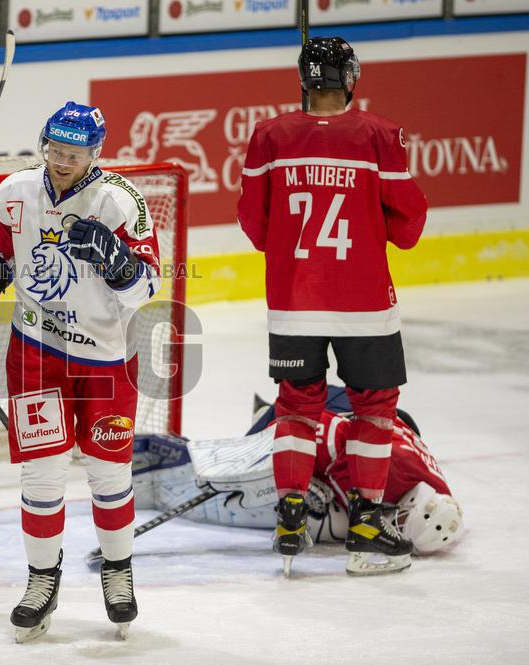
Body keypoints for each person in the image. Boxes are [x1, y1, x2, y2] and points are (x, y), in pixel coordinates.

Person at [0, 102, 161, 641]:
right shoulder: (14, 191)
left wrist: (114, 259)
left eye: (74, 154)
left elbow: (147, 286)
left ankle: (118, 570)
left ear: (95, 154)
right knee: (41, 474)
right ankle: (42, 579)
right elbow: (1, 260)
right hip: (35, 354)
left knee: (109, 473)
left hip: (107, 360)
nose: (62, 161)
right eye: (55, 150)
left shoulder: (121, 202)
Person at [236, 37, 429, 576]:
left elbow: (254, 222)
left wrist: (291, 252)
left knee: (296, 407)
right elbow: (408, 224)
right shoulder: (380, 134)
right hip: (363, 300)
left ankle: (290, 518)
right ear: (350, 78)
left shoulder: (268, 135)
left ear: (304, 79)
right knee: (374, 408)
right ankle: (366, 525)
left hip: (293, 299)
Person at [134, 388, 463, 565]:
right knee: (240, 477)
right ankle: (157, 453)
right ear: (415, 501)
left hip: (359, 415)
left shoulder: (434, 492)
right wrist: (300, 480)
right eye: (403, 520)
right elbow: (317, 428)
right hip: (326, 412)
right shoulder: (394, 469)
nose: (396, 524)